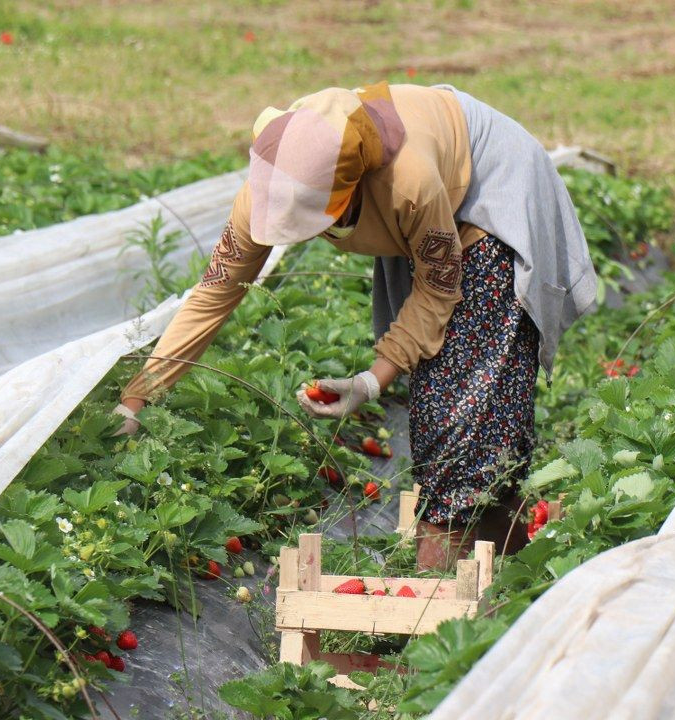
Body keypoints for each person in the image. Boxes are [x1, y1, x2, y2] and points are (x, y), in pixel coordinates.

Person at [113, 81, 597, 571]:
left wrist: (370, 382)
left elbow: (438, 289)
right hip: (424, 214)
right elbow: (215, 293)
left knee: (457, 411)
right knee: (446, 404)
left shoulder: (409, 181)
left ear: (350, 190)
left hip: (487, 193)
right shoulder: (275, 179)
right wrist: (136, 399)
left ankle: (435, 601)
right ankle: (508, 567)